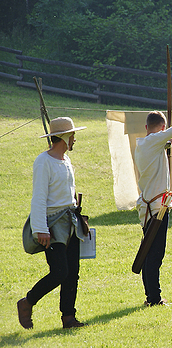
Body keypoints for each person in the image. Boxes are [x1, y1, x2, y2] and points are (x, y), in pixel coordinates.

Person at [17, 117, 87, 329]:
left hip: (70, 221)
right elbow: (39, 197)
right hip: (52, 225)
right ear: (65, 137)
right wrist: (40, 229)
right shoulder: (43, 161)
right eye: (72, 135)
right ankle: (27, 302)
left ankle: (68, 317)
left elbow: (69, 194)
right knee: (59, 271)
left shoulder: (66, 160)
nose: (74, 139)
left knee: (72, 272)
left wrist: (80, 217)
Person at [135, 111, 172, 306]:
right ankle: (154, 298)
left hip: (149, 205)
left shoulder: (144, 144)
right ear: (163, 128)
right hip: (157, 208)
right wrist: (166, 136)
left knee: (149, 251)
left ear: (146, 127)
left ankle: (151, 295)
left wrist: (164, 143)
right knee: (155, 253)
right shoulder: (155, 140)